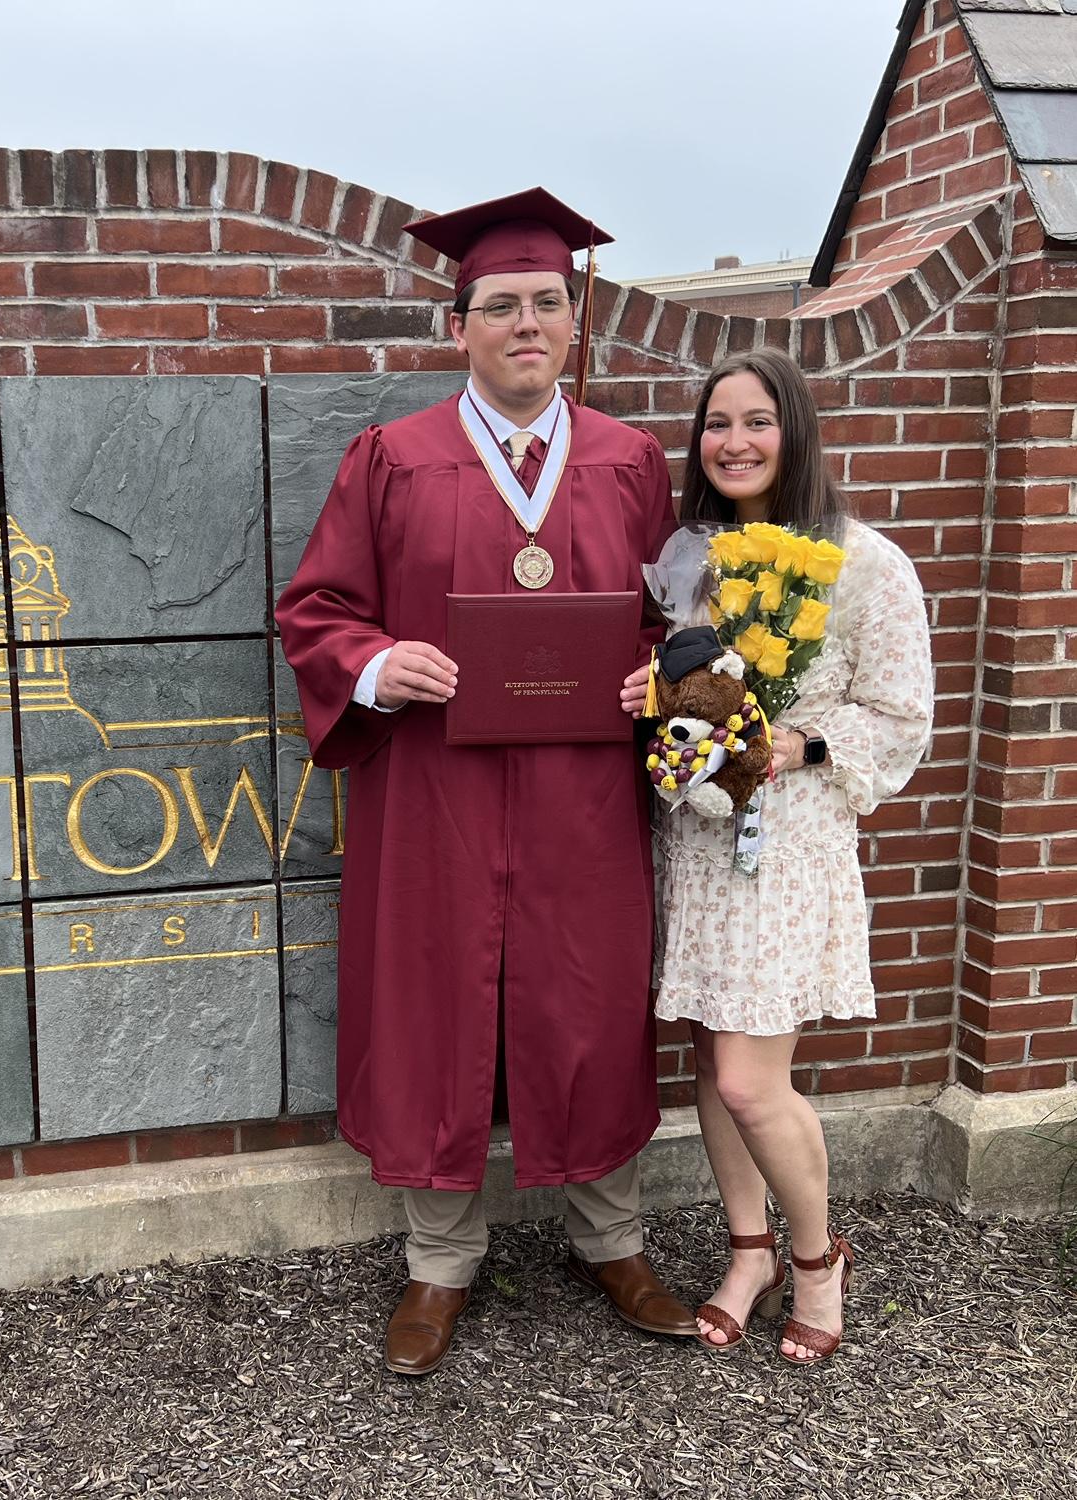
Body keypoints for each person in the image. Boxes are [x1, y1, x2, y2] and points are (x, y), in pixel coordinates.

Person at [276, 188, 691, 1377]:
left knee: (590, 1000)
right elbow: (317, 609)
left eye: (546, 303)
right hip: (435, 794)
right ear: (458, 325)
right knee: (432, 1003)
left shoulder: (624, 463)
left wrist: (656, 682)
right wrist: (374, 661)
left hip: (584, 800)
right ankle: (440, 1264)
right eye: (500, 304)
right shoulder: (395, 459)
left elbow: (677, 624)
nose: (525, 322)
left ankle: (608, 1240)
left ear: (575, 322)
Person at [619, 349, 934, 1362]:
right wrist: (654, 699)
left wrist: (798, 739)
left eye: (757, 421)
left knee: (755, 1080)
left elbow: (901, 715)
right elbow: (677, 688)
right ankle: (746, 1252)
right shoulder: (690, 560)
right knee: (717, 1064)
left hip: (788, 845)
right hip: (704, 840)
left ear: (793, 432)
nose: (735, 441)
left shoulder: (864, 562)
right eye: (718, 424)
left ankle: (816, 1258)